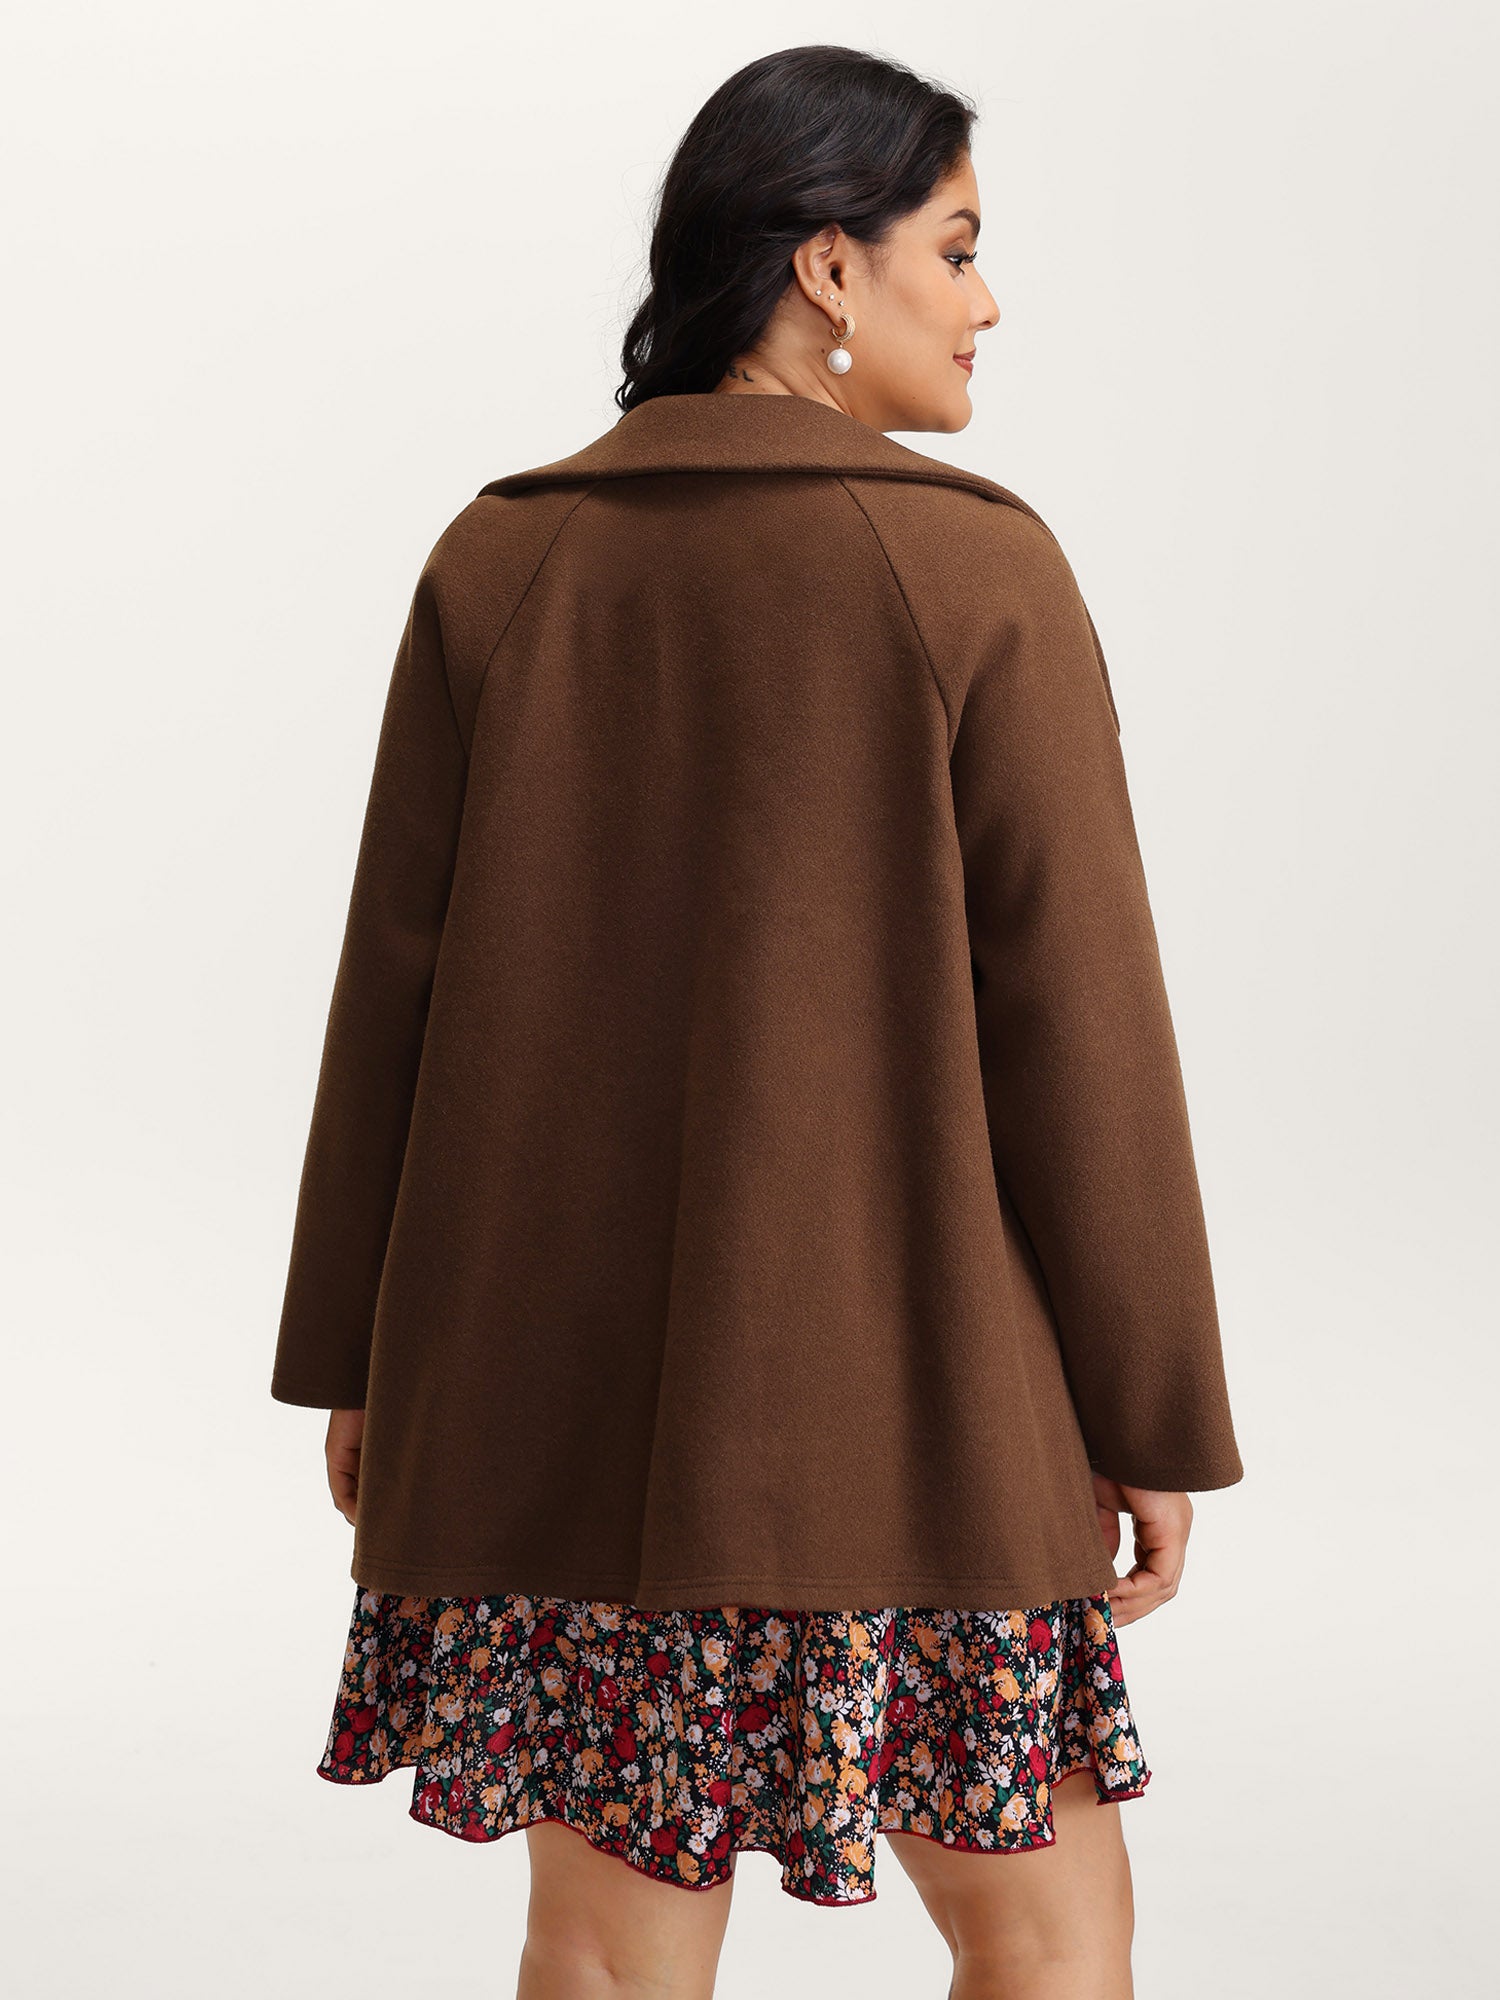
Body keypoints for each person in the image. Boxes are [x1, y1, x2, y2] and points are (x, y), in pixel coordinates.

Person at [272, 43, 1244, 2000]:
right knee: (1052, 1939)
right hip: (923, 1423)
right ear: (825, 265)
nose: (987, 299)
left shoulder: (499, 557)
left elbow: (396, 998)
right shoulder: (976, 569)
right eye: (955, 247)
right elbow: (1085, 1030)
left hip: (568, 1420)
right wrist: (1151, 1410)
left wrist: (365, 1359)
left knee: (604, 1955)